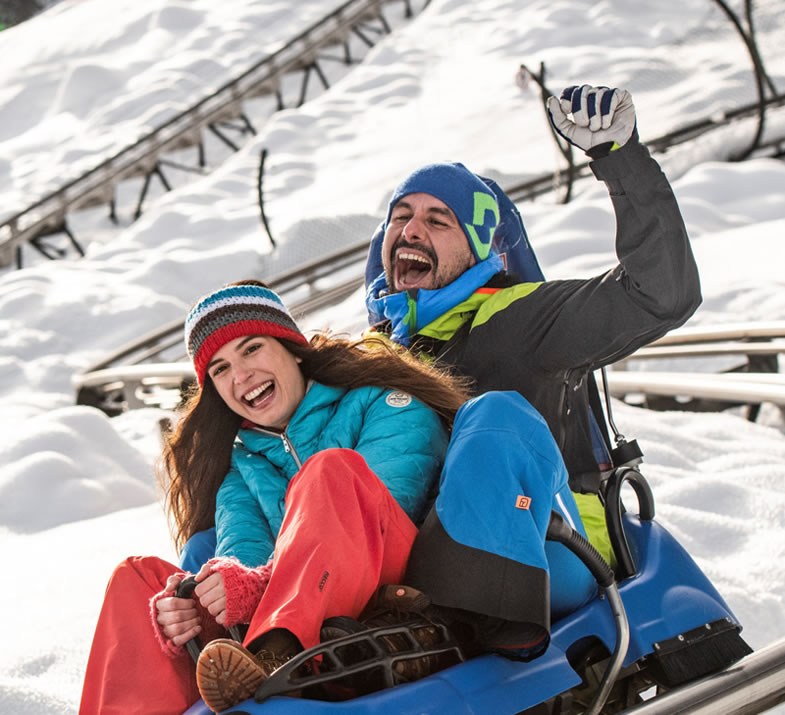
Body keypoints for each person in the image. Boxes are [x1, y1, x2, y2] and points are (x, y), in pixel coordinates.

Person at [79, 280, 596, 714]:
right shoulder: (242, 468)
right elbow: (244, 552)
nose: (240, 377)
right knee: (139, 581)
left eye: (251, 348)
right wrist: (211, 598)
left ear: (290, 347)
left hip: (412, 575)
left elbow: (388, 505)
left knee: (330, 474)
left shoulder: (383, 403)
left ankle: (280, 655)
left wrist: (269, 583)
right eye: (218, 369)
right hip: (307, 599)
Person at [363, 85, 702, 643]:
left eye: (437, 220)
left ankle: (437, 632)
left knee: (492, 420)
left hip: (555, 544)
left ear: (476, 250)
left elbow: (660, 293)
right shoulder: (377, 357)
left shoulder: (518, 317)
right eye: (401, 216)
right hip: (420, 562)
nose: (412, 229)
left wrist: (621, 160)